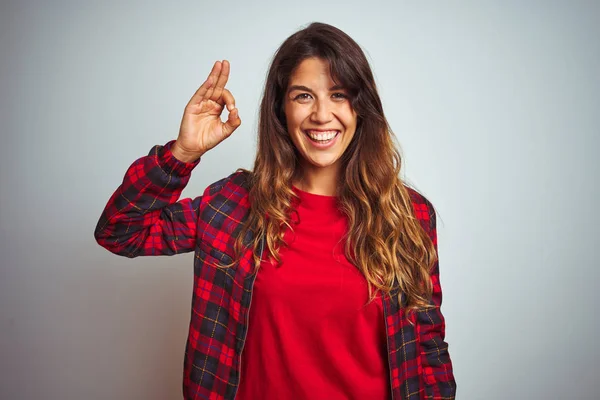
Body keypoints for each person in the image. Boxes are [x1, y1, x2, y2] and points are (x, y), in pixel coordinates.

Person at [95, 22, 456, 400]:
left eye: (339, 95)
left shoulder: (408, 215)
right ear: (281, 108)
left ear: (361, 107)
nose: (321, 115)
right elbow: (120, 231)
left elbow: (427, 345)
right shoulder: (232, 206)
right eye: (303, 96)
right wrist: (183, 154)